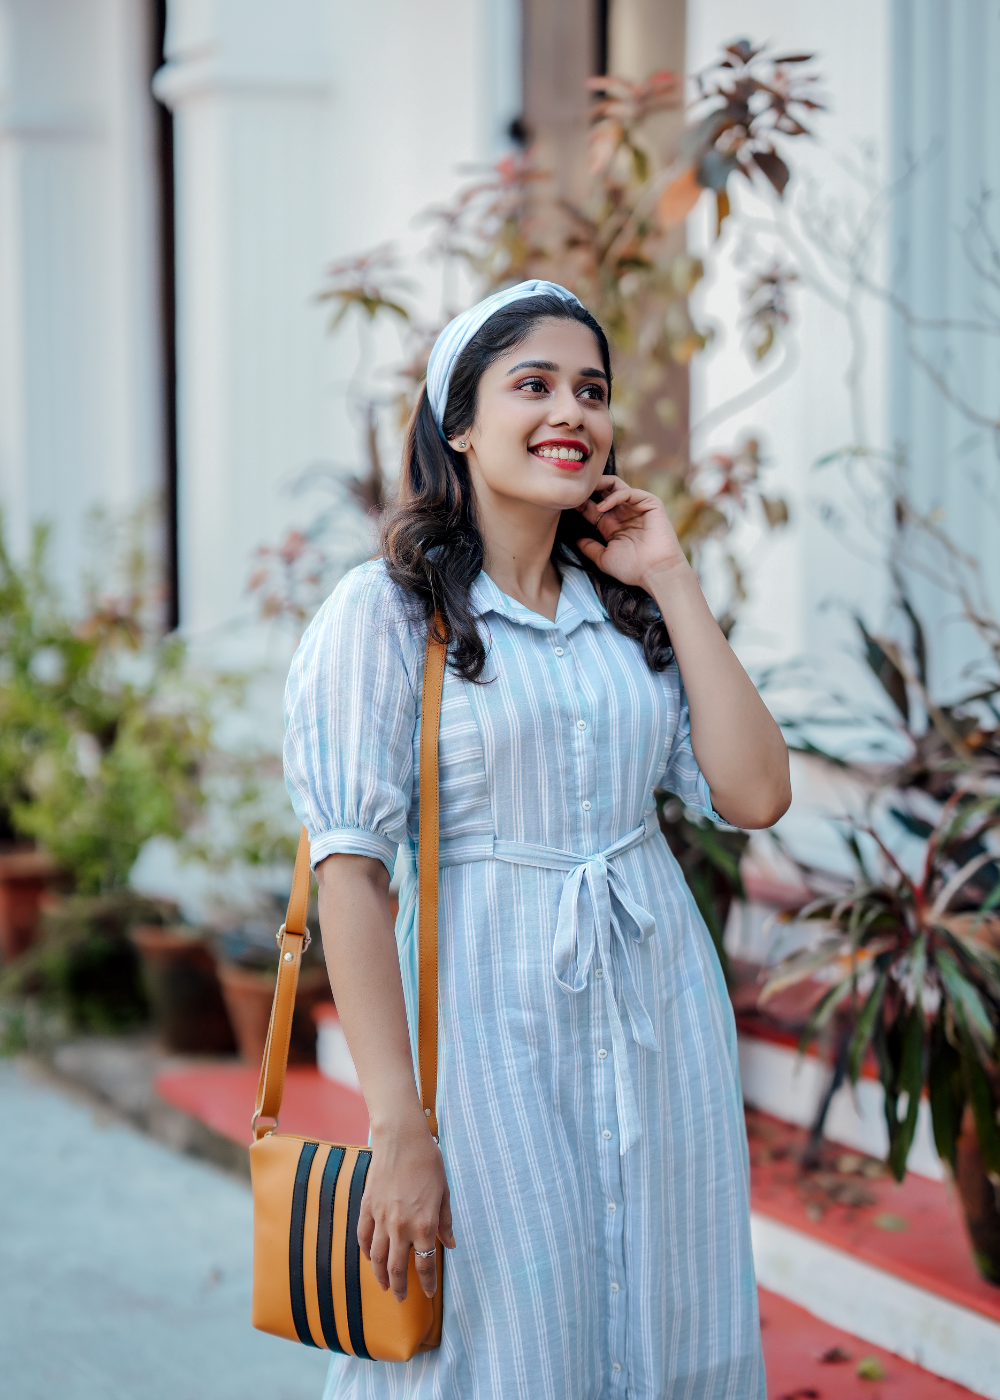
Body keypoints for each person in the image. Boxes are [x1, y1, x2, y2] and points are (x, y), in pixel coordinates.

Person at [284, 280, 790, 1400]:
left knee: (665, 1304)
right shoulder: (383, 612)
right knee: (500, 1335)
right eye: (534, 384)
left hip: (659, 1013)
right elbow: (351, 877)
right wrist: (399, 1128)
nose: (572, 410)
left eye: (591, 390)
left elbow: (754, 793)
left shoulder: (625, 611)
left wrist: (668, 573)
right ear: (459, 423)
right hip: (483, 1027)